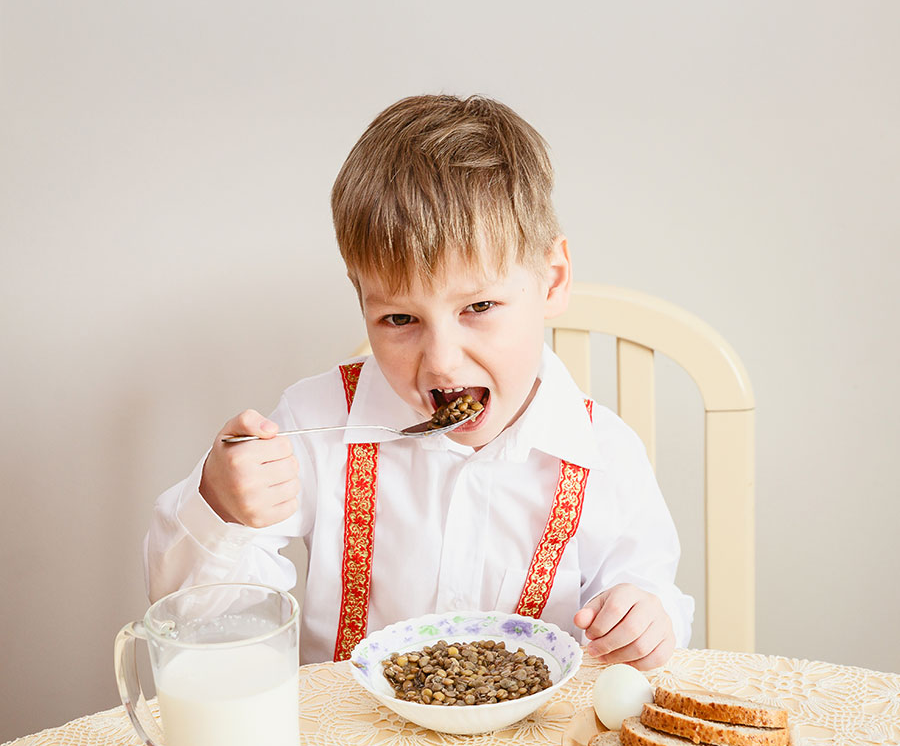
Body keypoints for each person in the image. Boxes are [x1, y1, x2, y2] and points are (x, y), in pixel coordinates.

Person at [144, 94, 693, 669]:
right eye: (400, 319)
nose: (442, 363)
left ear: (553, 281)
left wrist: (644, 619)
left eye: (478, 306)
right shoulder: (314, 422)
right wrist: (221, 505)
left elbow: (650, 596)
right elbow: (196, 617)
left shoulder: (606, 454)